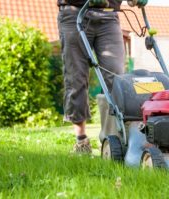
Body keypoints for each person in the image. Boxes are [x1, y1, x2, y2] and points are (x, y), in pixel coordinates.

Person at [57, 0, 125, 153]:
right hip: (75, 12)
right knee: (76, 78)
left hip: (109, 15)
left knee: (116, 79)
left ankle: (114, 139)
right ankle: (81, 141)